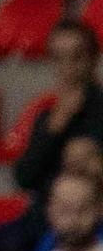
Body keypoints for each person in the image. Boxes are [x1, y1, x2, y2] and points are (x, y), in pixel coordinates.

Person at [14, 21, 103, 202]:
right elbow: (23, 178)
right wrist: (54, 129)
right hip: (46, 211)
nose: (67, 66)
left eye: (77, 56)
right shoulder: (48, 116)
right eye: (58, 58)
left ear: (94, 58)